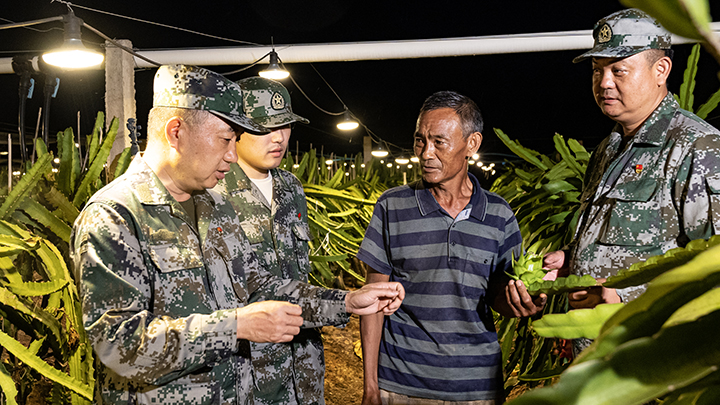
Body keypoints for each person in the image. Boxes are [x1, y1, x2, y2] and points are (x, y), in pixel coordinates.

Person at [70, 64, 405, 405]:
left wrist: (345, 301)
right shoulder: (115, 216)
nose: (232, 155)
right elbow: (118, 344)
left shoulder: (213, 206)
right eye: (225, 139)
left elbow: (259, 287)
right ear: (176, 132)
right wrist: (234, 326)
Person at [357, 91, 546, 405]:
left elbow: (500, 294)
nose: (425, 154)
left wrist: (522, 303)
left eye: (439, 142)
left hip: (476, 388)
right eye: (420, 141)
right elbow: (373, 299)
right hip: (400, 385)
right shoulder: (392, 206)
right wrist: (371, 388)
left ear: (472, 144)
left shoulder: (499, 214)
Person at [543, 9, 720, 309]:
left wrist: (624, 295)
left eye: (618, 70)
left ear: (661, 70)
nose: (604, 83)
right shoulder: (608, 149)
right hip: (598, 336)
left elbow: (713, 263)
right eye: (597, 70)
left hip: (653, 335)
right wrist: (571, 258)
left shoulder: (696, 146)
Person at [213, 76, 323, 404]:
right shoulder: (212, 191)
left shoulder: (291, 187)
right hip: (247, 371)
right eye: (265, 127)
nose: (279, 137)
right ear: (236, 128)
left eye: (285, 125)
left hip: (302, 363)